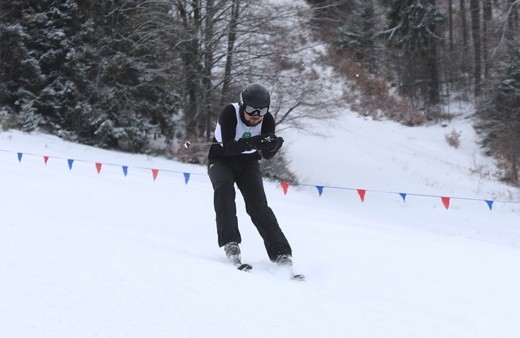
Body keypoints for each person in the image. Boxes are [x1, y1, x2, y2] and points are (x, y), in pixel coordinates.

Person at [207, 83, 293, 267]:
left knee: (258, 205)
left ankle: (281, 253)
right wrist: (254, 141)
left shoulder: (267, 120)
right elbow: (229, 148)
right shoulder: (230, 112)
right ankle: (231, 243)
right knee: (224, 190)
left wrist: (274, 145)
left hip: (248, 164)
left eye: (261, 111)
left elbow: (267, 154)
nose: (256, 116)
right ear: (242, 105)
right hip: (221, 160)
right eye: (252, 110)